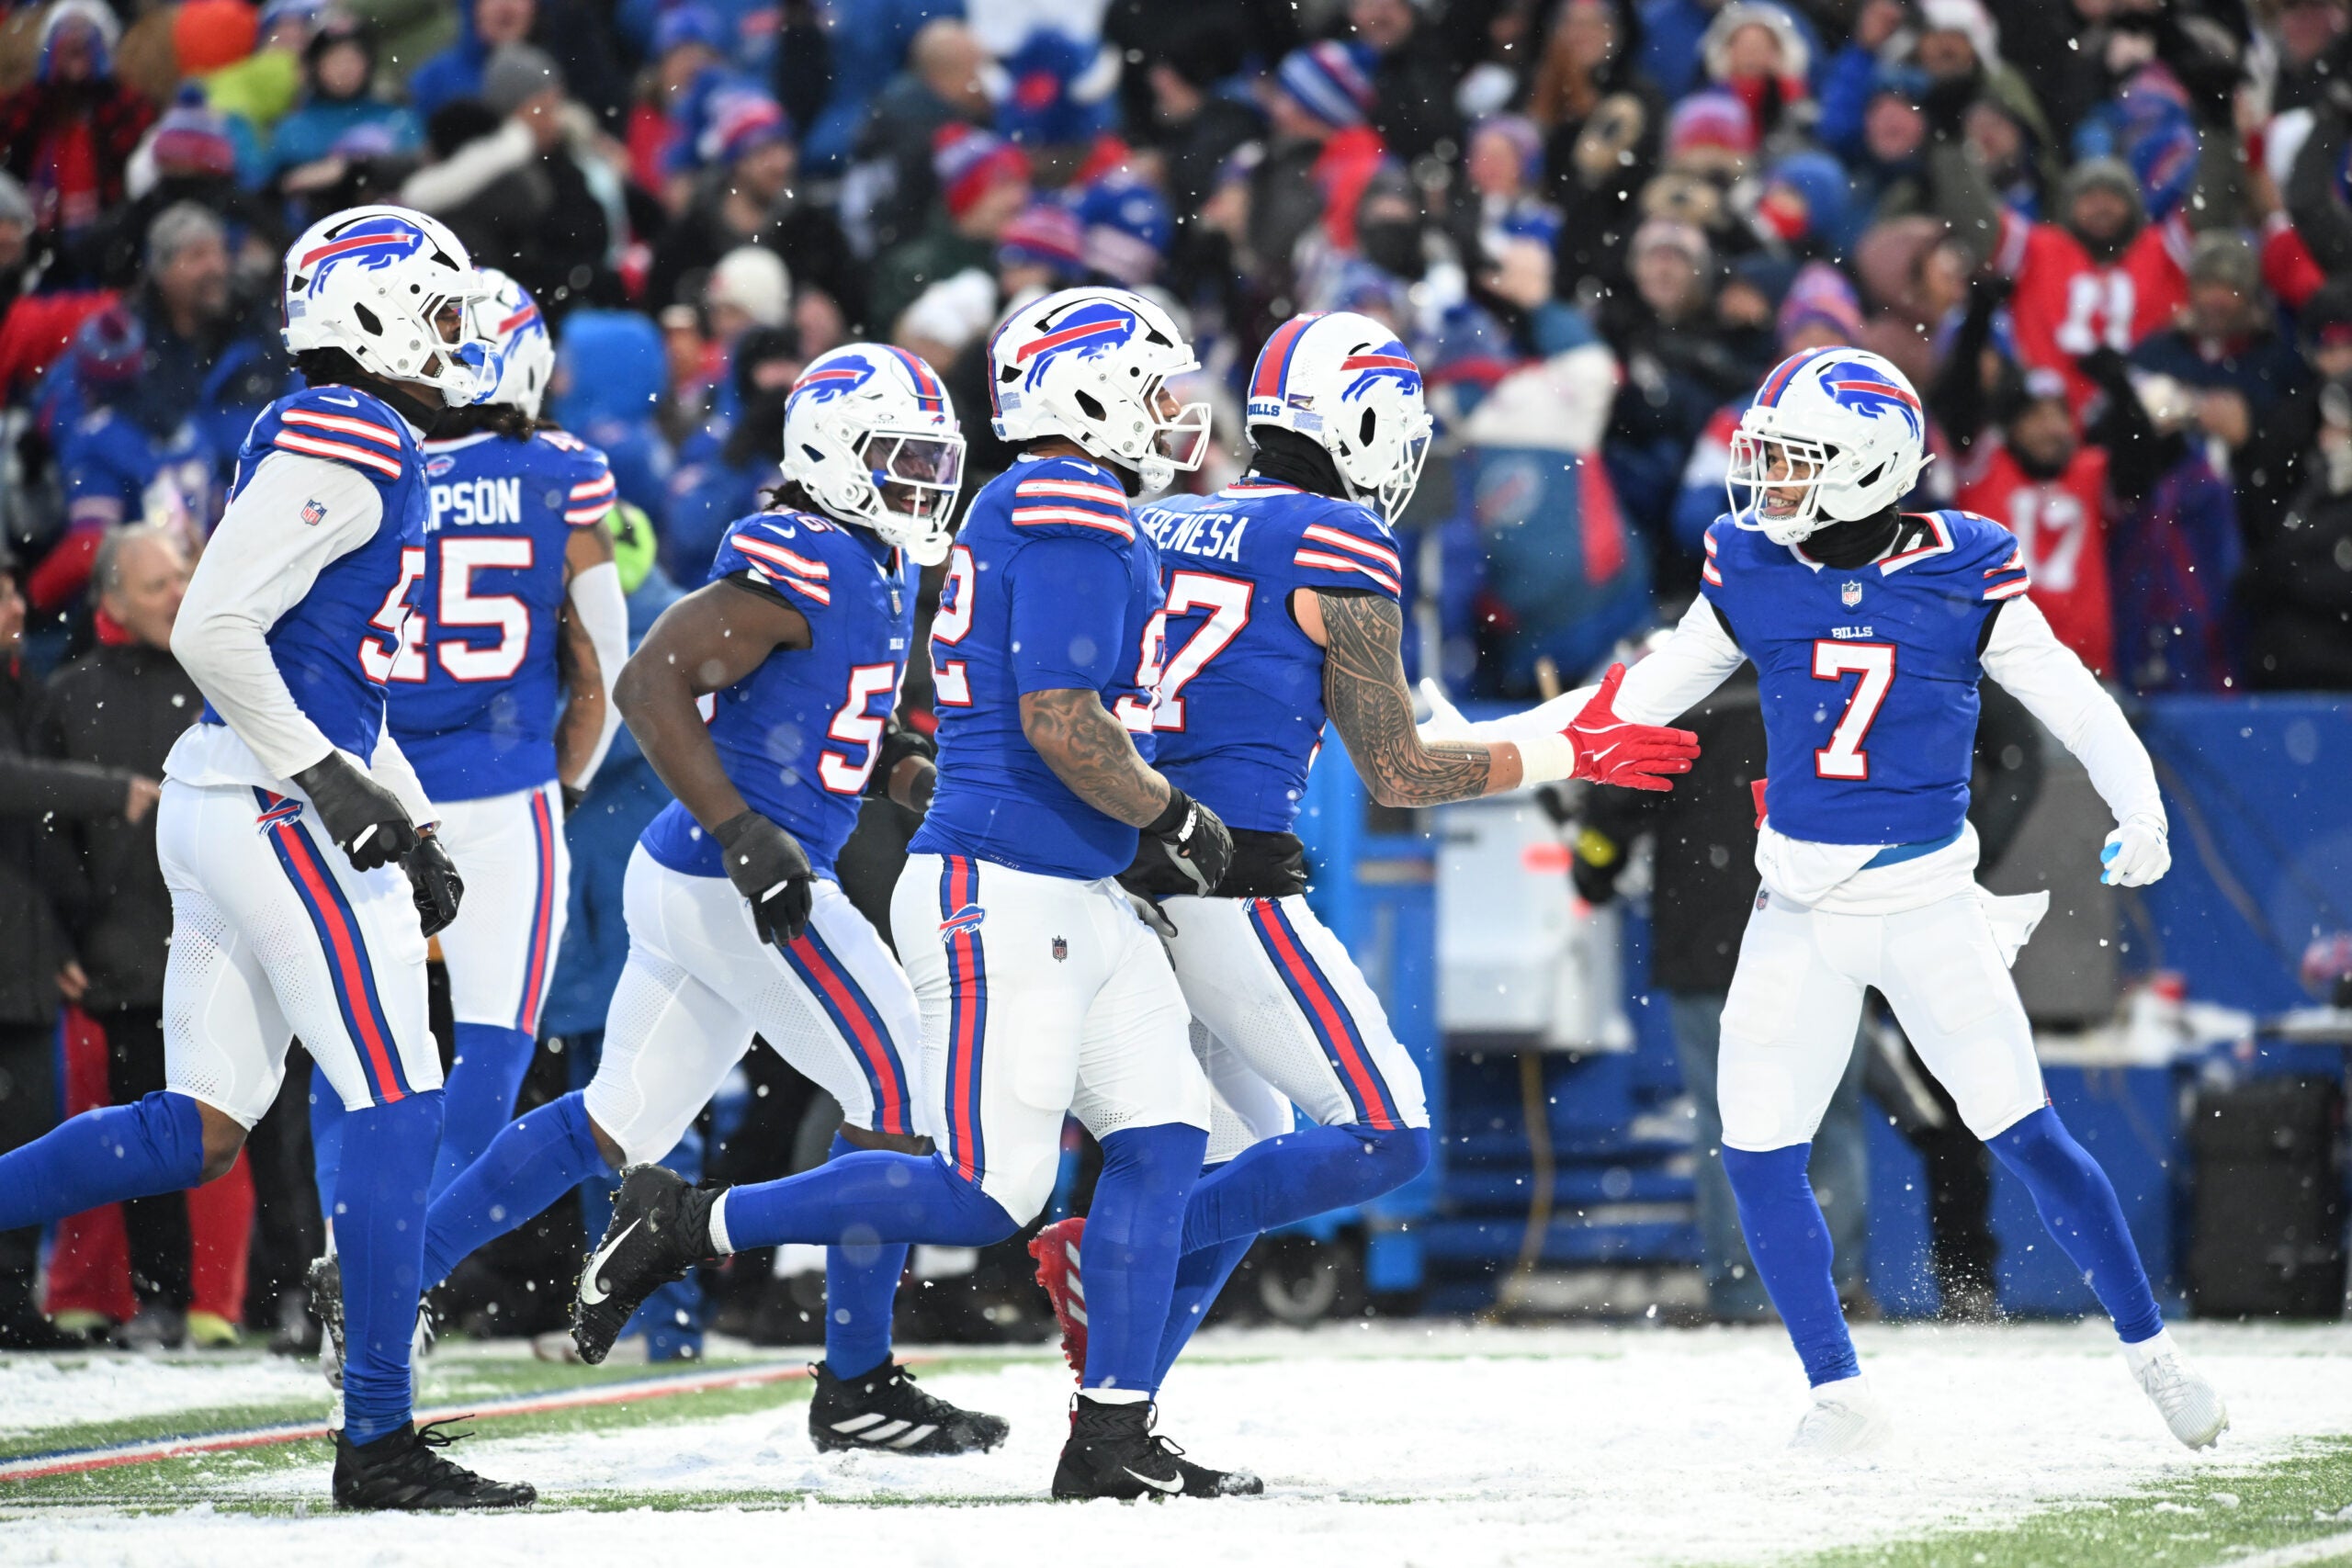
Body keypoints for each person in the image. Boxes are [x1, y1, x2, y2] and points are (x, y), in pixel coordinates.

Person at [565, 287, 1255, 1501]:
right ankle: (691, 1220)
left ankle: (1111, 1430)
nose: (1168, 410)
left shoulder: (1048, 503)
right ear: (1084, 389)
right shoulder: (1065, 502)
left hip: (1069, 877)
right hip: (1011, 879)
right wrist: (1177, 816)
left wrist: (1138, 832)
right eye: (1146, 384)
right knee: (992, 1186)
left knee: (1163, 1134)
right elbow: (1058, 716)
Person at [1534, 344, 2226, 1456]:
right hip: (1794, 905)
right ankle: (1835, 1387)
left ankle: (2154, 1353)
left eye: (1793, 460)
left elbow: (2076, 706)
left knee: (2027, 1135)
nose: (1769, 484)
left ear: (1867, 463)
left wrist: (2136, 808)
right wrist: (1497, 752)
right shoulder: (1752, 562)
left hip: (1924, 905)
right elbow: (1644, 692)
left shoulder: (1966, 569)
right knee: (1758, 1150)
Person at [1023, 312, 1700, 1383]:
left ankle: (1117, 1414)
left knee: (1246, 1154)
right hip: (1229, 879)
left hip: (1129, 860)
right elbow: (1401, 770)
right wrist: (1566, 749)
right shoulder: (1336, 540)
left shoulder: (1159, 521)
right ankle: (1105, 1250)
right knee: (1385, 1134)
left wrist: (1562, 731)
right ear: (1368, 422)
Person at [0, 204, 530, 1510]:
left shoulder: (343, 428)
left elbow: (324, 669)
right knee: (403, 1101)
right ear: (371, 308)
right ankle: (380, 1436)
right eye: (441, 308)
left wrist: (401, 813)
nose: (456, 338)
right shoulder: (346, 428)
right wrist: (337, 784)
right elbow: (218, 634)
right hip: (264, 807)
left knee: (200, 1127)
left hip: (232, 797)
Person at [416, 343, 1010, 1451]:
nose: (925, 482)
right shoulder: (807, 553)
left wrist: (888, 762)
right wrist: (746, 835)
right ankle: (857, 1383)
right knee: (904, 1101)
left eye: (935, 459)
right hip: (740, 882)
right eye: (899, 456)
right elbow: (651, 681)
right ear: (832, 453)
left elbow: (808, 698)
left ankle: (396, 1278)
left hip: (700, 875)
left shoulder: (864, 557)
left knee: (615, 1118)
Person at [305, 271, 627, 1309]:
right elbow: (604, 665)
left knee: (353, 1037)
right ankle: (409, 1273)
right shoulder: (558, 473)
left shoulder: (359, 459)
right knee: (491, 1041)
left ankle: (344, 1253)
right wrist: (566, 781)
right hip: (504, 784)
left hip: (362, 780)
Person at [33, 525, 247, 1350]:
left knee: (253, 1134)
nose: (177, 596)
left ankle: (253, 1295)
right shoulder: (73, 691)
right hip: (125, 953)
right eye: (158, 585)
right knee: (146, 1136)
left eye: (184, 578)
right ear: (112, 599)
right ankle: (157, 1296)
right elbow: (49, 840)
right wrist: (74, 932)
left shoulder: (226, 679)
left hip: (228, 946)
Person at [0, 546, 162, 1349]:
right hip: (42, 947)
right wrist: (109, 791)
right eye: (3, 600)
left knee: (27, 1121)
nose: (19, 613)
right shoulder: (51, 694)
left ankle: (11, 1300)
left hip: (32, 951)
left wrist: (50, 938)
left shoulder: (25, 687)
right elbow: (16, 791)